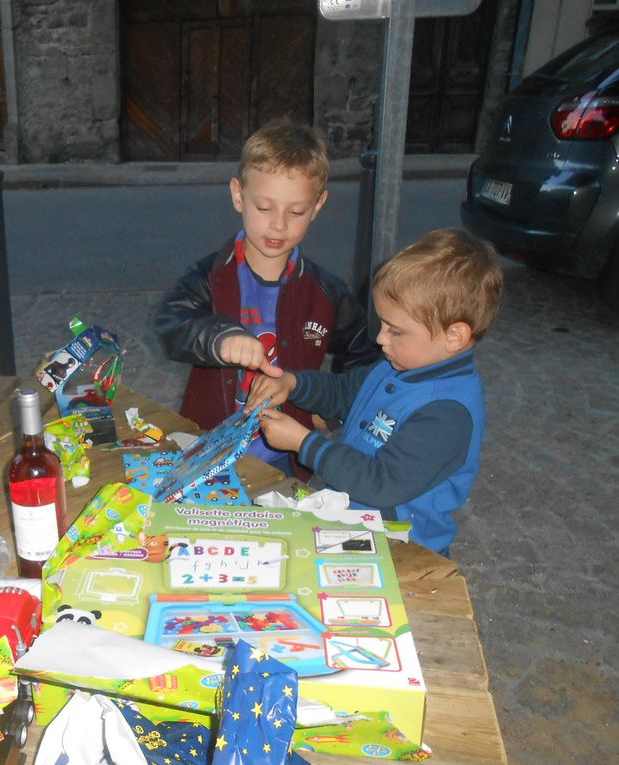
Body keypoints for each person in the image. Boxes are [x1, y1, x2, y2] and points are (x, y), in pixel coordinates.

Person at [247, 228, 504, 555]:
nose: (381, 338)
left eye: (396, 331)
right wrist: (293, 383)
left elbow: (381, 482)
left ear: (454, 336)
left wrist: (303, 443)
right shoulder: (397, 364)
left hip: (399, 544)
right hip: (350, 515)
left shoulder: (447, 412)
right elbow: (343, 392)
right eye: (382, 324)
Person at [156, 121, 378, 477]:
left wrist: (330, 410)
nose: (278, 225)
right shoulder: (209, 276)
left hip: (285, 459)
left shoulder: (326, 291)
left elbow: (367, 353)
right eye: (264, 208)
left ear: (318, 205)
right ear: (238, 195)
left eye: (296, 212)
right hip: (209, 447)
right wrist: (219, 337)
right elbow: (171, 324)